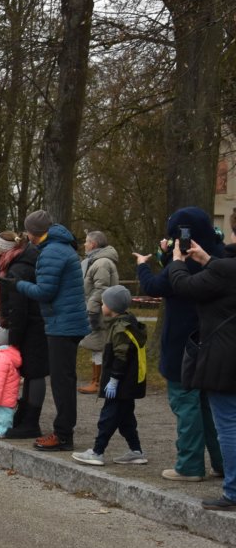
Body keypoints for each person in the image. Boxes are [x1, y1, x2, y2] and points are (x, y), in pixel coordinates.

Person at [134, 207, 224, 481]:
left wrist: (143, 265)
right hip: (213, 342)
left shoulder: (183, 265)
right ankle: (223, 463)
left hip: (182, 345)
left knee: (186, 405)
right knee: (210, 407)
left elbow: (155, 286)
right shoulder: (218, 259)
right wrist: (169, 257)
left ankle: (190, 465)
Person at [5, 210, 87, 451]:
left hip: (63, 324)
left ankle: (63, 435)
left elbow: (44, 292)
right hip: (65, 322)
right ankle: (63, 432)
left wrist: (18, 285)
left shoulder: (52, 251)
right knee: (64, 380)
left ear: (33, 232)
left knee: (62, 383)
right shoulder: (60, 246)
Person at [166, 232, 236, 511]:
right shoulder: (223, 268)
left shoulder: (224, 269)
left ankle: (233, 492)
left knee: (228, 425)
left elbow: (185, 286)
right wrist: (207, 259)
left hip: (225, 358)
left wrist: (176, 261)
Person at [71, 286, 148, 466]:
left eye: (104, 303)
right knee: (126, 419)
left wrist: (114, 379)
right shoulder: (124, 323)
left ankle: (97, 452)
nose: (102, 306)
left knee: (108, 417)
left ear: (112, 307)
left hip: (121, 384)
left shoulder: (120, 328)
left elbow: (121, 356)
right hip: (128, 384)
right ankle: (136, 451)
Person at [0, 232, 49, 439]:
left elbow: (18, 305)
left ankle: (31, 422)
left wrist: (14, 339)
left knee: (34, 373)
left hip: (31, 326)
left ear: (5, 250)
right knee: (31, 373)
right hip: (32, 324)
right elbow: (6, 291)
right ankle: (24, 416)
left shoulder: (18, 268)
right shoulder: (19, 263)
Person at [77, 231, 120, 394]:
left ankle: (98, 382)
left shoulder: (101, 263)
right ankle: (98, 381)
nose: (85, 244)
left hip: (99, 312)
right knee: (98, 346)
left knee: (99, 346)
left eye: (87, 242)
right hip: (98, 310)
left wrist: (92, 310)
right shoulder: (97, 261)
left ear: (93, 244)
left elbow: (101, 289)